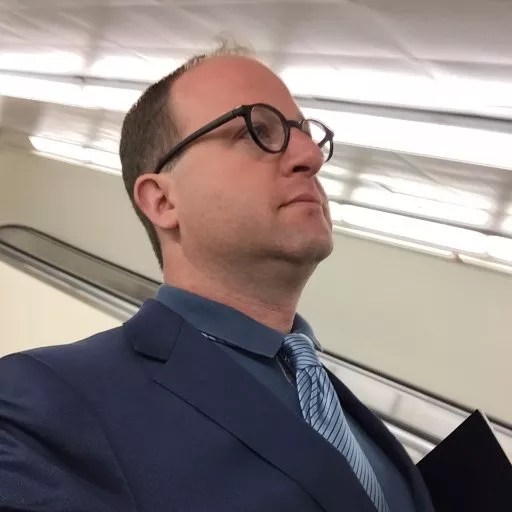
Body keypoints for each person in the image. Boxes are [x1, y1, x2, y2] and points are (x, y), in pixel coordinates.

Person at [0, 43, 434, 512]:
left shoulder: (347, 413)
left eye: (306, 134)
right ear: (163, 201)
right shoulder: (43, 403)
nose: (310, 155)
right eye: (257, 131)